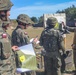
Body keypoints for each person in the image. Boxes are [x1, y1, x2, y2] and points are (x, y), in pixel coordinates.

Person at [0, 0, 18, 75]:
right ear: (2, 12)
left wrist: (11, 50)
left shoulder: (1, 30)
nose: (9, 14)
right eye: (8, 11)